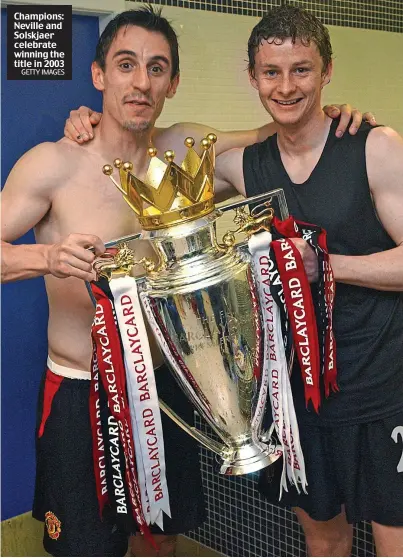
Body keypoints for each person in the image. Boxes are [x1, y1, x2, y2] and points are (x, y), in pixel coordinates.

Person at [1, 5, 376, 557]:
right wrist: (48, 258)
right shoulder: (52, 165)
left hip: (166, 387)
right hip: (84, 391)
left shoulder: (188, 148)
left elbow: (282, 127)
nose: (141, 82)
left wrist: (335, 110)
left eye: (157, 68)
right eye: (126, 65)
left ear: (172, 82)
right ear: (99, 75)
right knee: (82, 548)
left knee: (161, 542)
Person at [211, 5, 403, 557]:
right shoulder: (243, 167)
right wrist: (89, 120)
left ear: (327, 72)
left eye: (302, 70)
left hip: (381, 387)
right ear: (252, 77)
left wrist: (327, 265)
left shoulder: (373, 146)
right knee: (323, 537)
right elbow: (168, 152)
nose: (287, 85)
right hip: (298, 396)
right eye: (271, 72)